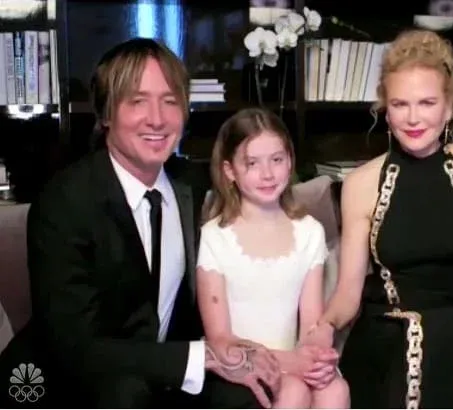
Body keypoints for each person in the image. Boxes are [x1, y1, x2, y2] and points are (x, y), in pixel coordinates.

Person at [8, 38, 281, 408]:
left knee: (247, 395)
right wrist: (200, 356)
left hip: (165, 374)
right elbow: (76, 347)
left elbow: (270, 205)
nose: (157, 118)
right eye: (137, 101)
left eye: (170, 101)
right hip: (64, 381)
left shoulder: (195, 185)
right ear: (106, 114)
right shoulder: (63, 203)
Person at [303, 29, 453, 408]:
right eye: (400, 104)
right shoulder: (360, 184)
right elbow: (348, 294)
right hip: (388, 327)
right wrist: (325, 326)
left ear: (449, 106)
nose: (413, 118)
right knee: (411, 335)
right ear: (385, 109)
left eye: (427, 103)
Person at [195, 107, 350, 409]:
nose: (267, 174)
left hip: (294, 357)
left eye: (277, 160)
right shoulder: (215, 236)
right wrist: (291, 362)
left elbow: (310, 324)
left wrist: (317, 359)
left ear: (290, 161)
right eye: (252, 163)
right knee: (293, 391)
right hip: (237, 365)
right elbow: (221, 339)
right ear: (230, 171)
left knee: (335, 390)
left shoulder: (309, 232)